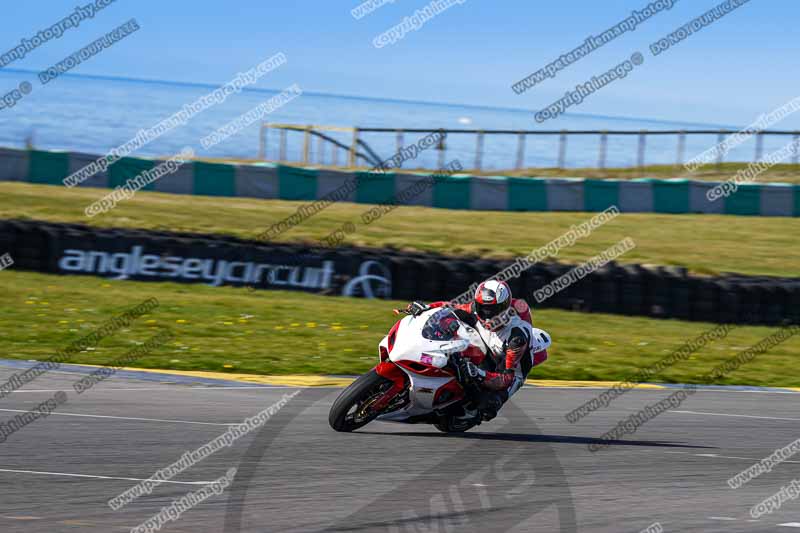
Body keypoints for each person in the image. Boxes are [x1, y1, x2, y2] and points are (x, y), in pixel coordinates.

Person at [403, 279, 548, 421]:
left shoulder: (516, 338)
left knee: (488, 407)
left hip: (509, 368)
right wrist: (426, 307)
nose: (486, 315)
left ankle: (461, 412)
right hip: (488, 342)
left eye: (492, 311)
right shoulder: (477, 309)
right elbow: (450, 307)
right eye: (482, 309)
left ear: (505, 308)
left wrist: (478, 373)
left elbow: (505, 379)